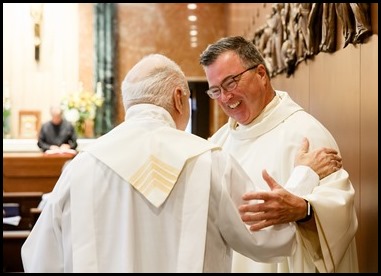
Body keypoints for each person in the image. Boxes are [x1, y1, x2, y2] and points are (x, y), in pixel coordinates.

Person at [21, 54, 340, 273]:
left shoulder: (80, 168)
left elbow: (38, 260)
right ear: (178, 98)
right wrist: (305, 175)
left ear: (128, 102)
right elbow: (269, 239)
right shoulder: (209, 161)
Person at [199, 36, 358, 273]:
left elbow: (339, 213)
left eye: (231, 83)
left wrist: (305, 211)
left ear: (261, 74)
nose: (225, 97)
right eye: (215, 90)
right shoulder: (219, 143)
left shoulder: (305, 134)